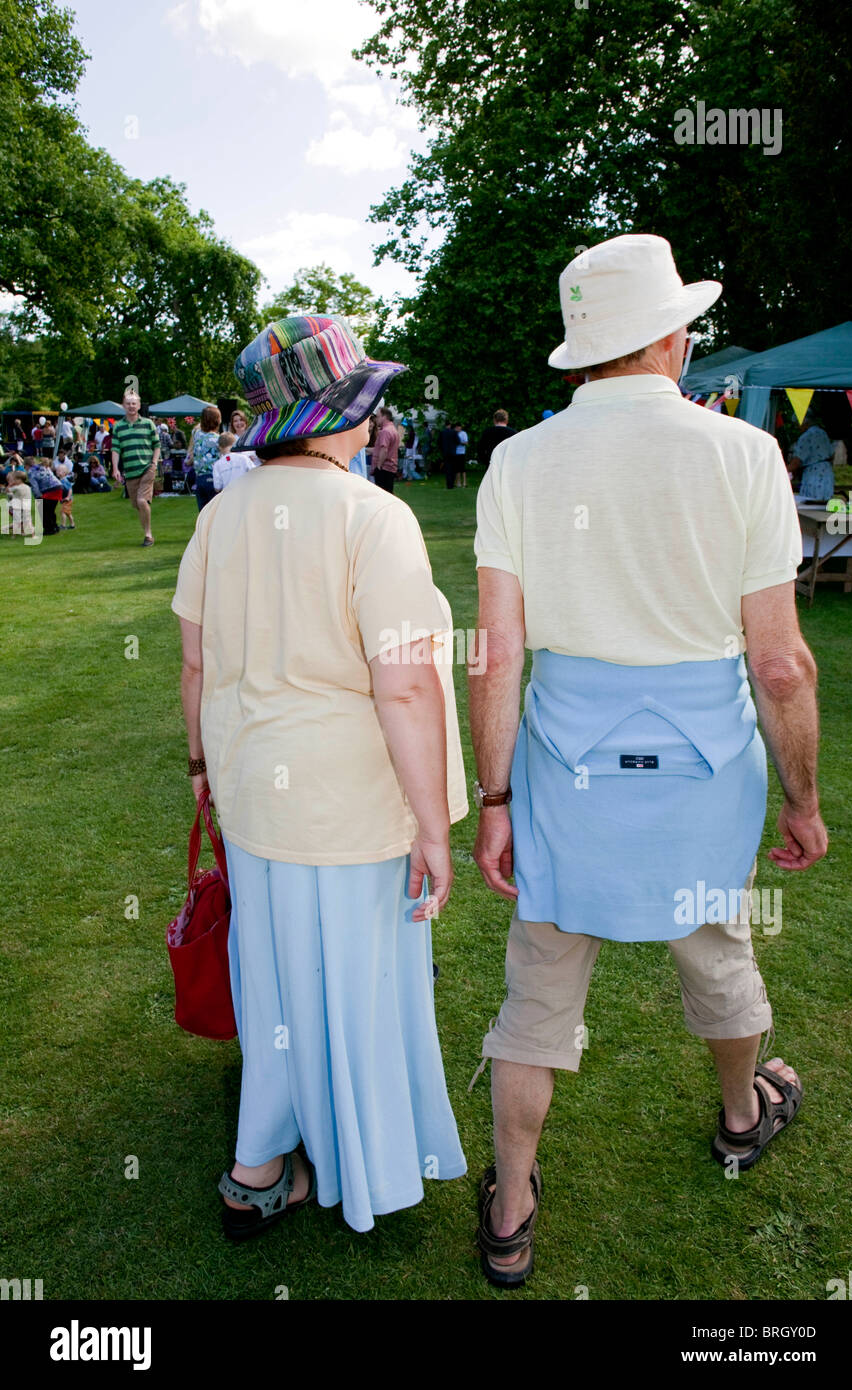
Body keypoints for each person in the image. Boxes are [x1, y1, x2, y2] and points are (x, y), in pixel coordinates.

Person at [469, 233, 827, 1288]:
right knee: (716, 950)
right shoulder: (739, 454)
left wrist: (492, 797)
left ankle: (512, 1201)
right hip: (699, 768)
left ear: (584, 352)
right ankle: (736, 1114)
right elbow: (777, 663)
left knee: (537, 987)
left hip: (564, 767)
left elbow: (495, 652)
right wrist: (801, 798)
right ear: (669, 336)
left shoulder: (517, 460)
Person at [172, 313, 468, 1238]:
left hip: (256, 787)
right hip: (349, 802)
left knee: (276, 979)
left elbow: (194, 663)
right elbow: (407, 685)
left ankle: (262, 1162)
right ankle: (357, 1163)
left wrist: (200, 766)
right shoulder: (373, 516)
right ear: (334, 411)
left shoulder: (222, 514)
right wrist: (431, 825)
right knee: (354, 983)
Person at [111, 390, 161, 546]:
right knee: (138, 505)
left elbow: (157, 446)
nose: (131, 406)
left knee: (141, 501)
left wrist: (153, 463)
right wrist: (115, 469)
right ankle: (147, 532)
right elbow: (115, 449)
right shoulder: (118, 427)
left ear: (139, 405)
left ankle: (148, 535)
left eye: (134, 403)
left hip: (147, 468)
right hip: (130, 471)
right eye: (128, 403)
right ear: (123, 406)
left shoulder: (148, 424)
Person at [788, 419, 835, 502]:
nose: (797, 427)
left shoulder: (806, 436)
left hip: (814, 474)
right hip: (827, 473)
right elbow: (832, 454)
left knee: (811, 504)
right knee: (824, 506)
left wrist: (781, 471)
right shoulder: (823, 433)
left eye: (797, 424)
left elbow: (796, 463)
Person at [191, 405, 221, 510]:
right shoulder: (218, 439)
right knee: (215, 511)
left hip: (199, 479)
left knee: (203, 511)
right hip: (213, 478)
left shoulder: (197, 436)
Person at [28, 456, 64, 534]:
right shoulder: (43, 466)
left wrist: (38, 497)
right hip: (58, 487)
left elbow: (34, 486)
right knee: (50, 510)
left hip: (48, 490)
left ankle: (49, 529)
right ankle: (54, 526)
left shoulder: (31, 472)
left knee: (43, 511)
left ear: (26, 466)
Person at [371, 406, 399, 492]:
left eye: (378, 416)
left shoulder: (385, 431)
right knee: (388, 493)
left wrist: (379, 465)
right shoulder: (393, 429)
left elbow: (384, 449)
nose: (376, 419)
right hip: (390, 468)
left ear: (384, 417)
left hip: (383, 468)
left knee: (382, 494)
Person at [5, 470, 35, 537]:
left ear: (19, 480)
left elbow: (7, 490)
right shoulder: (27, 487)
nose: (14, 481)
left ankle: (14, 535)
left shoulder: (16, 487)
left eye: (15, 480)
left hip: (18, 507)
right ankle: (33, 535)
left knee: (17, 521)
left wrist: (10, 484)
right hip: (26, 507)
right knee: (28, 521)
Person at [439, 420, 459, 489]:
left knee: (447, 469)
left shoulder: (442, 432)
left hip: (445, 452)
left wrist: (442, 449)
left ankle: (448, 484)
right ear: (450, 425)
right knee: (453, 469)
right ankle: (452, 484)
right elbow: (458, 441)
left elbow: (439, 442)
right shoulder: (454, 432)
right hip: (453, 452)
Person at [56, 461, 75, 530]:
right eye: (57, 470)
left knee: (63, 512)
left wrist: (68, 497)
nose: (57, 472)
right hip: (64, 499)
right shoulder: (61, 480)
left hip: (67, 500)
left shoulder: (64, 480)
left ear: (64, 473)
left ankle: (63, 525)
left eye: (59, 471)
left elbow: (70, 489)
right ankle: (72, 524)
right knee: (68, 513)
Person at [455, 423, 468, 488]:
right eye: (456, 427)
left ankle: (464, 483)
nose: (458, 428)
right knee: (457, 469)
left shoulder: (463, 433)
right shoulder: (454, 433)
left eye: (459, 427)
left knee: (462, 468)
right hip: (455, 453)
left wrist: (459, 442)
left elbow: (466, 442)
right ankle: (458, 483)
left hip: (462, 452)